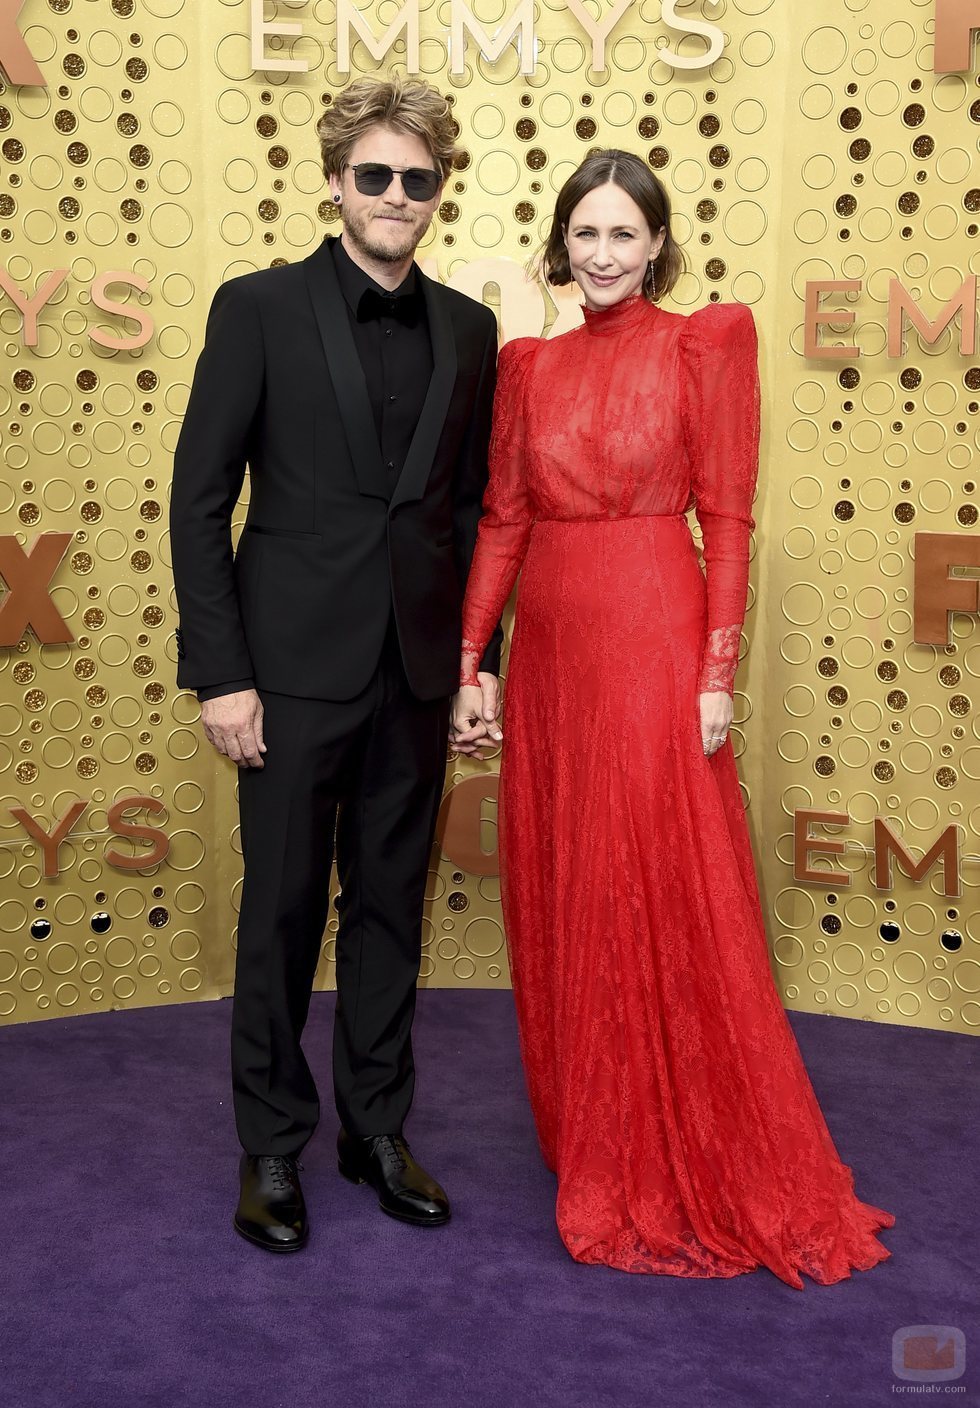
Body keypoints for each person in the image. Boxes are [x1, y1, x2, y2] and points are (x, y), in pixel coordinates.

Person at [450, 150, 895, 1287]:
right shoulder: (526, 365)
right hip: (549, 650)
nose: (601, 254)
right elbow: (501, 520)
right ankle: (591, 1127)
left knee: (659, 873)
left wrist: (714, 669)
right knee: (571, 878)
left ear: (654, 243)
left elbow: (729, 515)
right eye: (583, 234)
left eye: (622, 234)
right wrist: (472, 658)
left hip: (654, 637)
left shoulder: (707, 340)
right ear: (562, 244)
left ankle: (673, 1137)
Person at [170, 76, 501, 1253]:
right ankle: (271, 1146)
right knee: (279, 913)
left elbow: (466, 514)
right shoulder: (255, 307)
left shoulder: (469, 328)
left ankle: (375, 1130)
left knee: (388, 917)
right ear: (333, 183)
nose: (396, 196)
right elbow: (200, 499)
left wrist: (475, 663)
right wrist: (221, 673)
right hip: (287, 674)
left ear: (438, 193)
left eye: (417, 179)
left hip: (413, 675)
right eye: (375, 175)